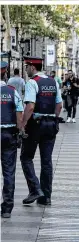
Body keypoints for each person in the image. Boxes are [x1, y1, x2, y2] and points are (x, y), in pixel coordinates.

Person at [20, 56, 63, 206]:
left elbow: (30, 106)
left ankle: (35, 189)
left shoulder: (32, 83)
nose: (26, 70)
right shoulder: (53, 82)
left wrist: (23, 124)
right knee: (46, 161)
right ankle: (46, 197)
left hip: (35, 125)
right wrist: (54, 119)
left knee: (26, 157)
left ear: (32, 67)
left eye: (26, 67)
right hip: (50, 124)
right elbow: (59, 105)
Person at [1, 61, 24, 218]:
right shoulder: (12, 92)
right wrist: (20, 131)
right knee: (9, 171)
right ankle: (7, 208)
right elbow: (19, 113)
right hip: (8, 134)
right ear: (4, 72)